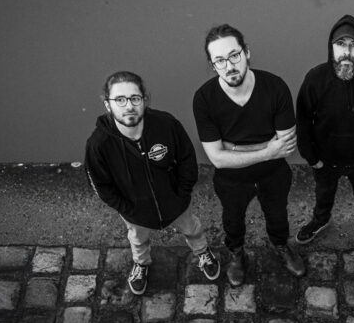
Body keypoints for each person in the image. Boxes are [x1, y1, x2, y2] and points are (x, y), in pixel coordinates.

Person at [85, 71, 219, 296]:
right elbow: (100, 185)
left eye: (135, 98)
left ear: (144, 99)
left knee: (192, 228)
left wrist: (182, 192)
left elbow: (187, 158)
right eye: (120, 99)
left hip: (175, 201)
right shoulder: (98, 144)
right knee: (138, 240)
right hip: (135, 211)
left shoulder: (166, 124)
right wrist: (127, 208)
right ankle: (141, 263)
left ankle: (202, 251)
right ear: (107, 104)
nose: (129, 106)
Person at [193, 24, 305, 287]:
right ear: (212, 65)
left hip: (273, 174)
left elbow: (286, 145)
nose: (229, 66)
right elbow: (217, 159)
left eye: (234, 55)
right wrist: (267, 150)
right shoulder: (204, 99)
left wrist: (232, 148)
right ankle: (236, 254)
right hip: (231, 179)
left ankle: (280, 246)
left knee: (278, 215)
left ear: (247, 53)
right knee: (232, 220)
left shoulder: (275, 87)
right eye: (220, 60)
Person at [294, 14, 354, 258]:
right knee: (323, 194)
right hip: (325, 160)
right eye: (341, 44)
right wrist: (311, 157)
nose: (346, 52)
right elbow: (303, 119)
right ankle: (320, 220)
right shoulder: (315, 79)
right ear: (331, 47)